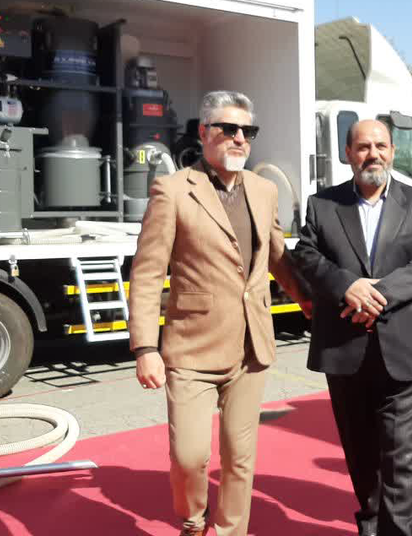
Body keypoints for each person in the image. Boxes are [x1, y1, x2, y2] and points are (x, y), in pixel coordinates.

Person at [127, 90, 309, 536]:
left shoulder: (264, 191)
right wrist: (145, 348)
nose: (239, 138)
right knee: (189, 456)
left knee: (240, 458)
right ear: (205, 132)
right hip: (193, 348)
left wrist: (310, 299)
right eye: (229, 129)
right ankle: (192, 523)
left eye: (248, 131)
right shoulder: (173, 191)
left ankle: (229, 532)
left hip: (251, 346)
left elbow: (277, 255)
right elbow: (147, 273)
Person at [291, 118, 412, 536]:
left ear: (392, 151)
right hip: (344, 348)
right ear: (348, 154)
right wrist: (348, 287)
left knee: (401, 455)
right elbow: (306, 255)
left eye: (380, 146)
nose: (372, 154)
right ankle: (371, 524)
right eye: (363, 147)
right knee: (360, 453)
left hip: (405, 350)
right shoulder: (322, 205)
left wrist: (377, 295)